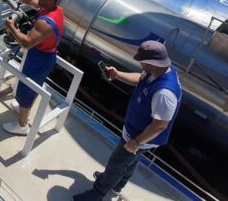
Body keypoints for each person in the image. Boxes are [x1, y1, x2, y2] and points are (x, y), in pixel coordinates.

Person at [73, 41, 182, 200]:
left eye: (142, 61)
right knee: (130, 161)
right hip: (135, 132)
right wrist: (118, 75)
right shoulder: (159, 71)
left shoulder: (165, 93)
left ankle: (97, 193)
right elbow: (141, 78)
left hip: (140, 137)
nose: (140, 63)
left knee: (116, 163)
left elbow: (160, 125)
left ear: (152, 63)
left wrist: (136, 142)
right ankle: (117, 187)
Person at [0, 0, 66, 135]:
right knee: (26, 87)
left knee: (26, 90)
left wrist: (12, 27)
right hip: (40, 54)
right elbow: (29, 0)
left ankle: (22, 125)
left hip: (40, 59)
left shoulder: (46, 23)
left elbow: (27, 43)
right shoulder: (53, 9)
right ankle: (23, 108)